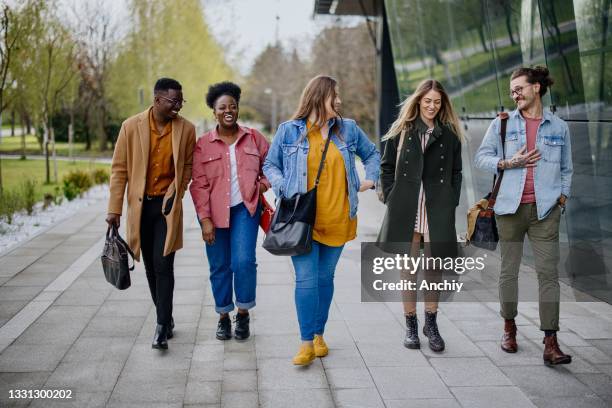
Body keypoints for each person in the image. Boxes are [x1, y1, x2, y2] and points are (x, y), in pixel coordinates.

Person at [263, 75, 380, 365]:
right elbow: (270, 164)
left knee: (325, 278)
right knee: (306, 279)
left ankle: (318, 334)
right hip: (302, 220)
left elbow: (373, 154)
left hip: (339, 218)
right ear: (319, 97)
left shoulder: (348, 130)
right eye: (334, 95)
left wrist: (370, 180)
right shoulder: (289, 131)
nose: (339, 100)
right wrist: (283, 187)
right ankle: (305, 343)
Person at [474, 66, 573, 365]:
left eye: (519, 88)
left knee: (549, 274)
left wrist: (562, 198)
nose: (514, 93)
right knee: (509, 272)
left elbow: (567, 168)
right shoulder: (502, 124)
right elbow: (482, 158)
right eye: (511, 90)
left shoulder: (559, 127)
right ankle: (509, 327)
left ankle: (550, 341)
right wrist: (508, 162)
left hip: (545, 211)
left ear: (537, 88)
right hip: (509, 210)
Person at [107, 78, 196, 350]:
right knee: (149, 266)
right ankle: (166, 317)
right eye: (173, 101)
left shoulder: (186, 129)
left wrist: (176, 193)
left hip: (166, 209)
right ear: (157, 100)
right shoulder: (130, 127)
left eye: (181, 101)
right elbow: (119, 170)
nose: (178, 106)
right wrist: (114, 209)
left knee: (163, 264)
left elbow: (188, 167)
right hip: (140, 208)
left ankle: (160, 327)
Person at [377, 79, 463, 352]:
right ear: (418, 102)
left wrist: (451, 201)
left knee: (435, 269)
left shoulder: (449, 135)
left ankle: (432, 324)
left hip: (436, 208)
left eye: (437, 102)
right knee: (409, 270)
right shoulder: (402, 131)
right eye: (427, 101)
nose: (432, 106)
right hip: (408, 209)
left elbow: (456, 172)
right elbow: (386, 166)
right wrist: (392, 197)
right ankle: (411, 326)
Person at [190, 81, 270, 341]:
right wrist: (204, 220)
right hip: (214, 214)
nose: (228, 111)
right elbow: (199, 185)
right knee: (220, 265)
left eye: (232, 106)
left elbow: (272, 166)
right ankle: (224, 316)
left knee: (243, 261)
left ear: (237, 109)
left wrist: (262, 186)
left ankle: (243, 313)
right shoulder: (203, 144)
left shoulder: (254, 137)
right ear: (213, 112)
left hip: (246, 210)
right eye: (222, 107)